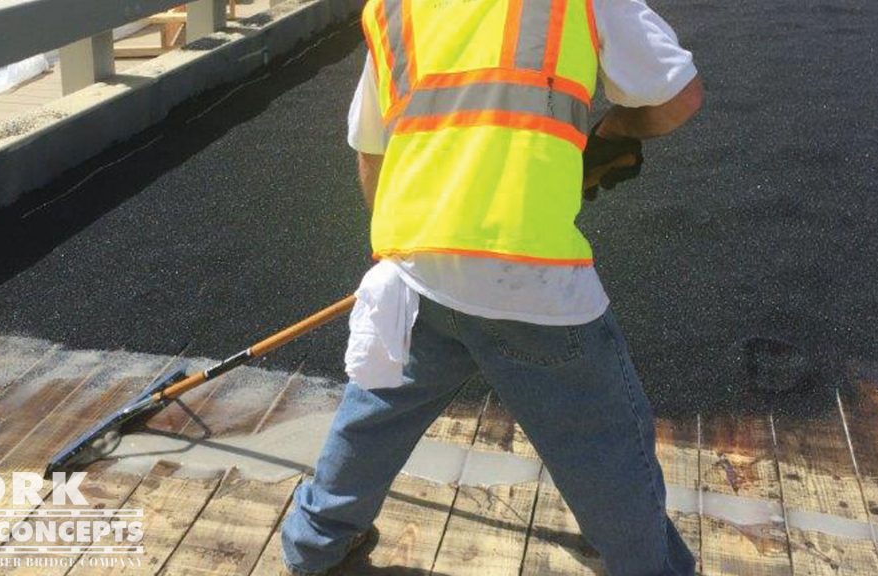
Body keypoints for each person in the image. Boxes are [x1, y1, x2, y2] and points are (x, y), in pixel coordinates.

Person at [281, 0, 703, 573]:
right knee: (603, 449)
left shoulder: (394, 8)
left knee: (376, 410)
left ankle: (313, 546)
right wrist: (612, 131)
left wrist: (399, 258)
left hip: (420, 268)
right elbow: (677, 95)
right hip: (534, 283)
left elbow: (372, 148)